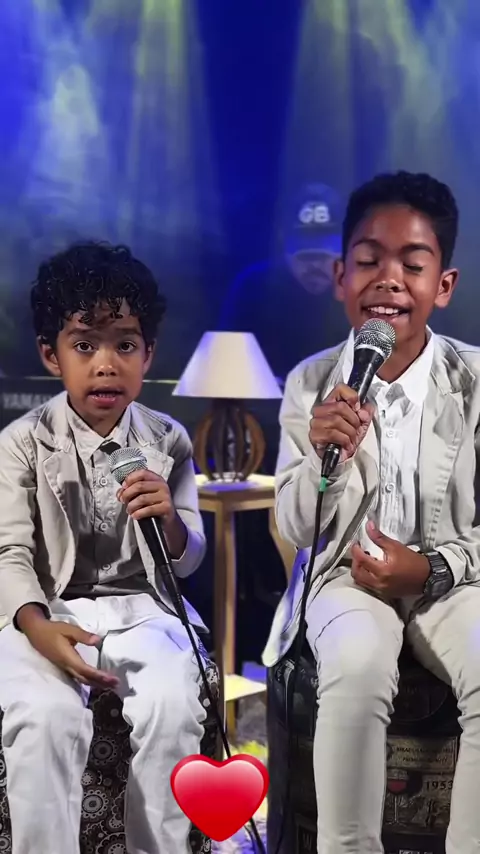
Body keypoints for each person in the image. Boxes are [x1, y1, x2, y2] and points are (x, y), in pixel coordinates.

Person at [263, 171, 480, 854]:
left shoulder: (476, 382)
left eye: (412, 264)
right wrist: (324, 456)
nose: (388, 280)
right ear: (340, 276)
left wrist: (430, 570)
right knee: (356, 665)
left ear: (443, 284)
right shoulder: (310, 382)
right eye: (368, 260)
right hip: (345, 579)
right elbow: (295, 527)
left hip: (454, 577)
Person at [0, 241, 210, 854]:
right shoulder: (21, 442)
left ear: (149, 354)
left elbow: (188, 555)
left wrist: (168, 520)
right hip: (50, 609)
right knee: (45, 717)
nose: (106, 365)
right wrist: (37, 626)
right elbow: (10, 553)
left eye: (125, 345)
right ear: (52, 354)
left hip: (143, 608)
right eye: (85, 345)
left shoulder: (168, 440)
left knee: (173, 706)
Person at [219, 183, 349, 383]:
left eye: (325, 254)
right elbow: (224, 371)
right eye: (304, 255)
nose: (315, 265)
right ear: (284, 247)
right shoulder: (253, 289)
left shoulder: (363, 291)